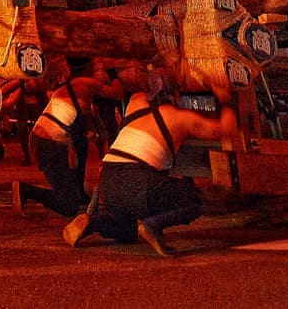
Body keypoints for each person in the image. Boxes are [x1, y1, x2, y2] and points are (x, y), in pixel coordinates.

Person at [64, 84, 240, 256]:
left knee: (128, 231)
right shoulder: (181, 118)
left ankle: (92, 223)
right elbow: (228, 129)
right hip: (138, 180)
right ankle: (153, 225)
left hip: (107, 183)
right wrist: (225, 100)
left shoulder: (135, 102)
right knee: (197, 200)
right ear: (175, 96)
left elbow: (141, 86)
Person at [13, 62, 124, 218]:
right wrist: (111, 70)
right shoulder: (86, 83)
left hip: (45, 140)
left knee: (81, 142)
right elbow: (118, 93)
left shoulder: (67, 85)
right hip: (49, 144)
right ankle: (26, 190)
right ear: (88, 66)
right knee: (69, 205)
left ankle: (79, 193)